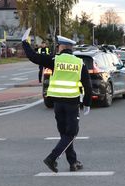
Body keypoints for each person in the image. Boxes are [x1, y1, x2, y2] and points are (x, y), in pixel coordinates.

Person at [22, 35, 92, 173]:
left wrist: (25, 43)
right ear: (71, 48)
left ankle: (73, 162)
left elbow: (33, 57)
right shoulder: (79, 63)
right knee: (71, 133)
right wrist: (87, 103)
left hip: (57, 103)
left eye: (58, 46)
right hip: (72, 102)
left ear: (61, 47)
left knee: (64, 134)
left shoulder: (55, 60)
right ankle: (52, 158)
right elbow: (87, 85)